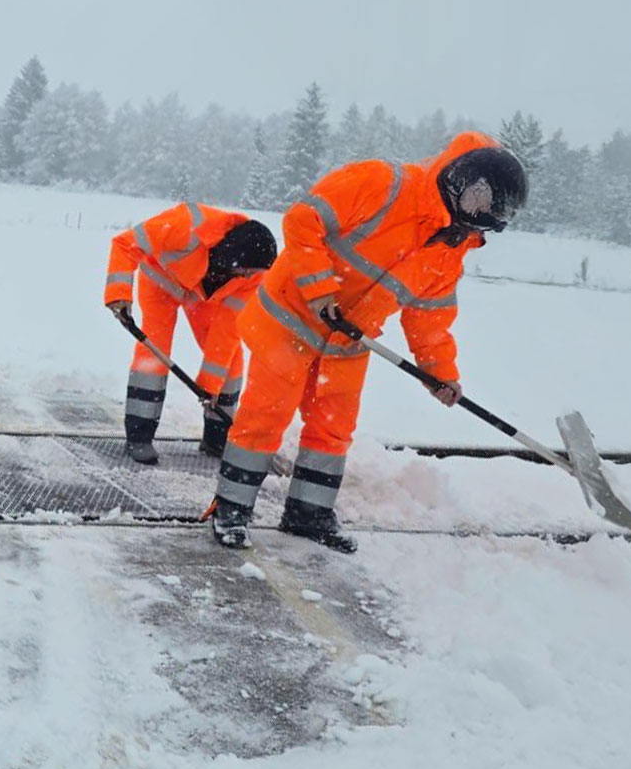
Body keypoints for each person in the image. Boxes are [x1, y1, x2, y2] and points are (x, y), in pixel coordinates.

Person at [207, 132, 529, 552]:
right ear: (460, 179)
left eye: (494, 210)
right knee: (265, 418)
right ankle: (231, 509)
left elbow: (429, 322)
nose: (482, 213)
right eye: (479, 199)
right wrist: (320, 288)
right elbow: (303, 220)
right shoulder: (384, 184)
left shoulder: (451, 248)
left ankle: (308, 514)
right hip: (291, 320)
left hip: (348, 343)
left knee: (333, 429)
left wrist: (440, 375)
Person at [104, 204, 278, 465]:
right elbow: (125, 244)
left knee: (230, 363)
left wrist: (209, 385)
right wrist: (119, 294)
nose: (249, 276)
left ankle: (217, 439)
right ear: (235, 255)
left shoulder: (253, 277)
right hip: (160, 282)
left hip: (204, 297)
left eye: (253, 273)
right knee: (153, 355)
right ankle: (139, 436)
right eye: (247, 270)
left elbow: (227, 329)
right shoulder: (185, 226)